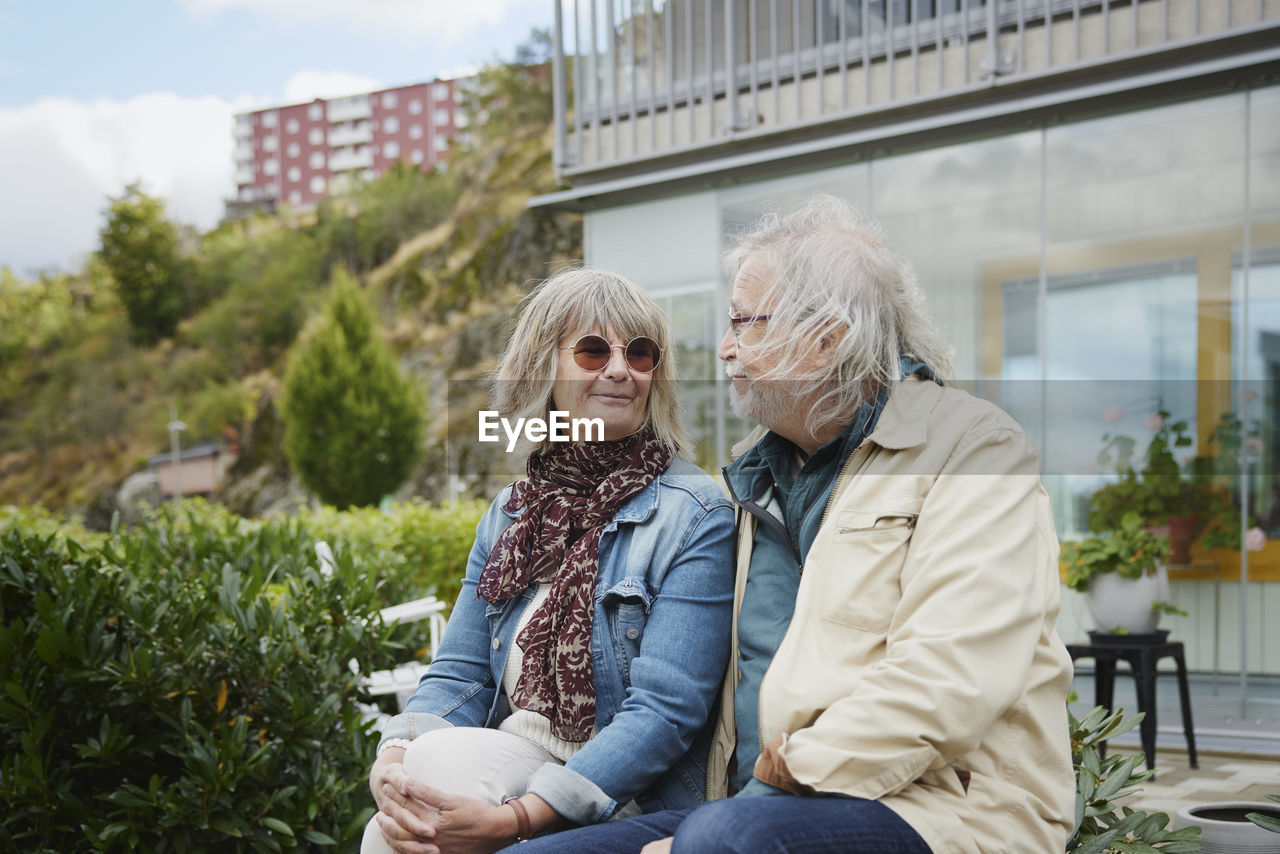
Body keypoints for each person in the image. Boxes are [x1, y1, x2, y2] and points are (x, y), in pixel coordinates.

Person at [506, 197, 1076, 854]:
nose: (724, 349)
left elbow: (947, 682)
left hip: (940, 811)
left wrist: (775, 786)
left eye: (744, 324)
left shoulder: (975, 452)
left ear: (826, 339)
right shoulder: (754, 475)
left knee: (728, 841)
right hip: (747, 807)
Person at [364, 268, 735, 854]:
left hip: (632, 793)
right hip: (520, 758)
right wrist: (394, 755)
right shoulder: (511, 514)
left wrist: (517, 819)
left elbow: (666, 713)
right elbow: (459, 674)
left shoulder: (693, 514)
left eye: (640, 354)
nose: (619, 369)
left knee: (426, 799)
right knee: (404, 801)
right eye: (592, 351)